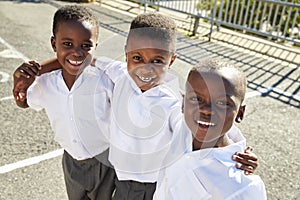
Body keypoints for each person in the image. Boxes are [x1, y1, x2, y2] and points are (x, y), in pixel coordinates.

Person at [13, 12, 259, 200]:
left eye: (158, 61)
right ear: (126, 53)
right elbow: (82, 59)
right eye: (137, 58)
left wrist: (233, 152)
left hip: (147, 185)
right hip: (120, 178)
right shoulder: (121, 74)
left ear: (171, 60)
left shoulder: (173, 104)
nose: (145, 68)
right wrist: (34, 72)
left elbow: (205, 126)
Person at [12, 5, 116, 200]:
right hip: (71, 160)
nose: (77, 53)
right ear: (54, 44)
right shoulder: (46, 82)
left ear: (96, 46)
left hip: (104, 160)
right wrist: (19, 90)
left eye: (86, 46)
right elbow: (25, 102)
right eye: (67, 44)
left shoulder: (104, 81)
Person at [153, 59, 267, 200]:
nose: (206, 110)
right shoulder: (182, 128)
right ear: (183, 103)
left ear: (240, 113)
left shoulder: (244, 187)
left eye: (222, 103)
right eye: (196, 99)